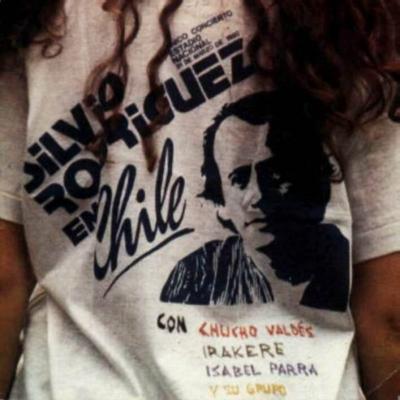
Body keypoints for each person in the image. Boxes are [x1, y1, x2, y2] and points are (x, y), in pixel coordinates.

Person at [0, 1, 399, 399]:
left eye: (276, 173)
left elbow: (4, 276)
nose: (256, 195)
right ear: (219, 198)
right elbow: (388, 306)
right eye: (238, 178)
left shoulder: (34, 16)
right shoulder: (356, 20)